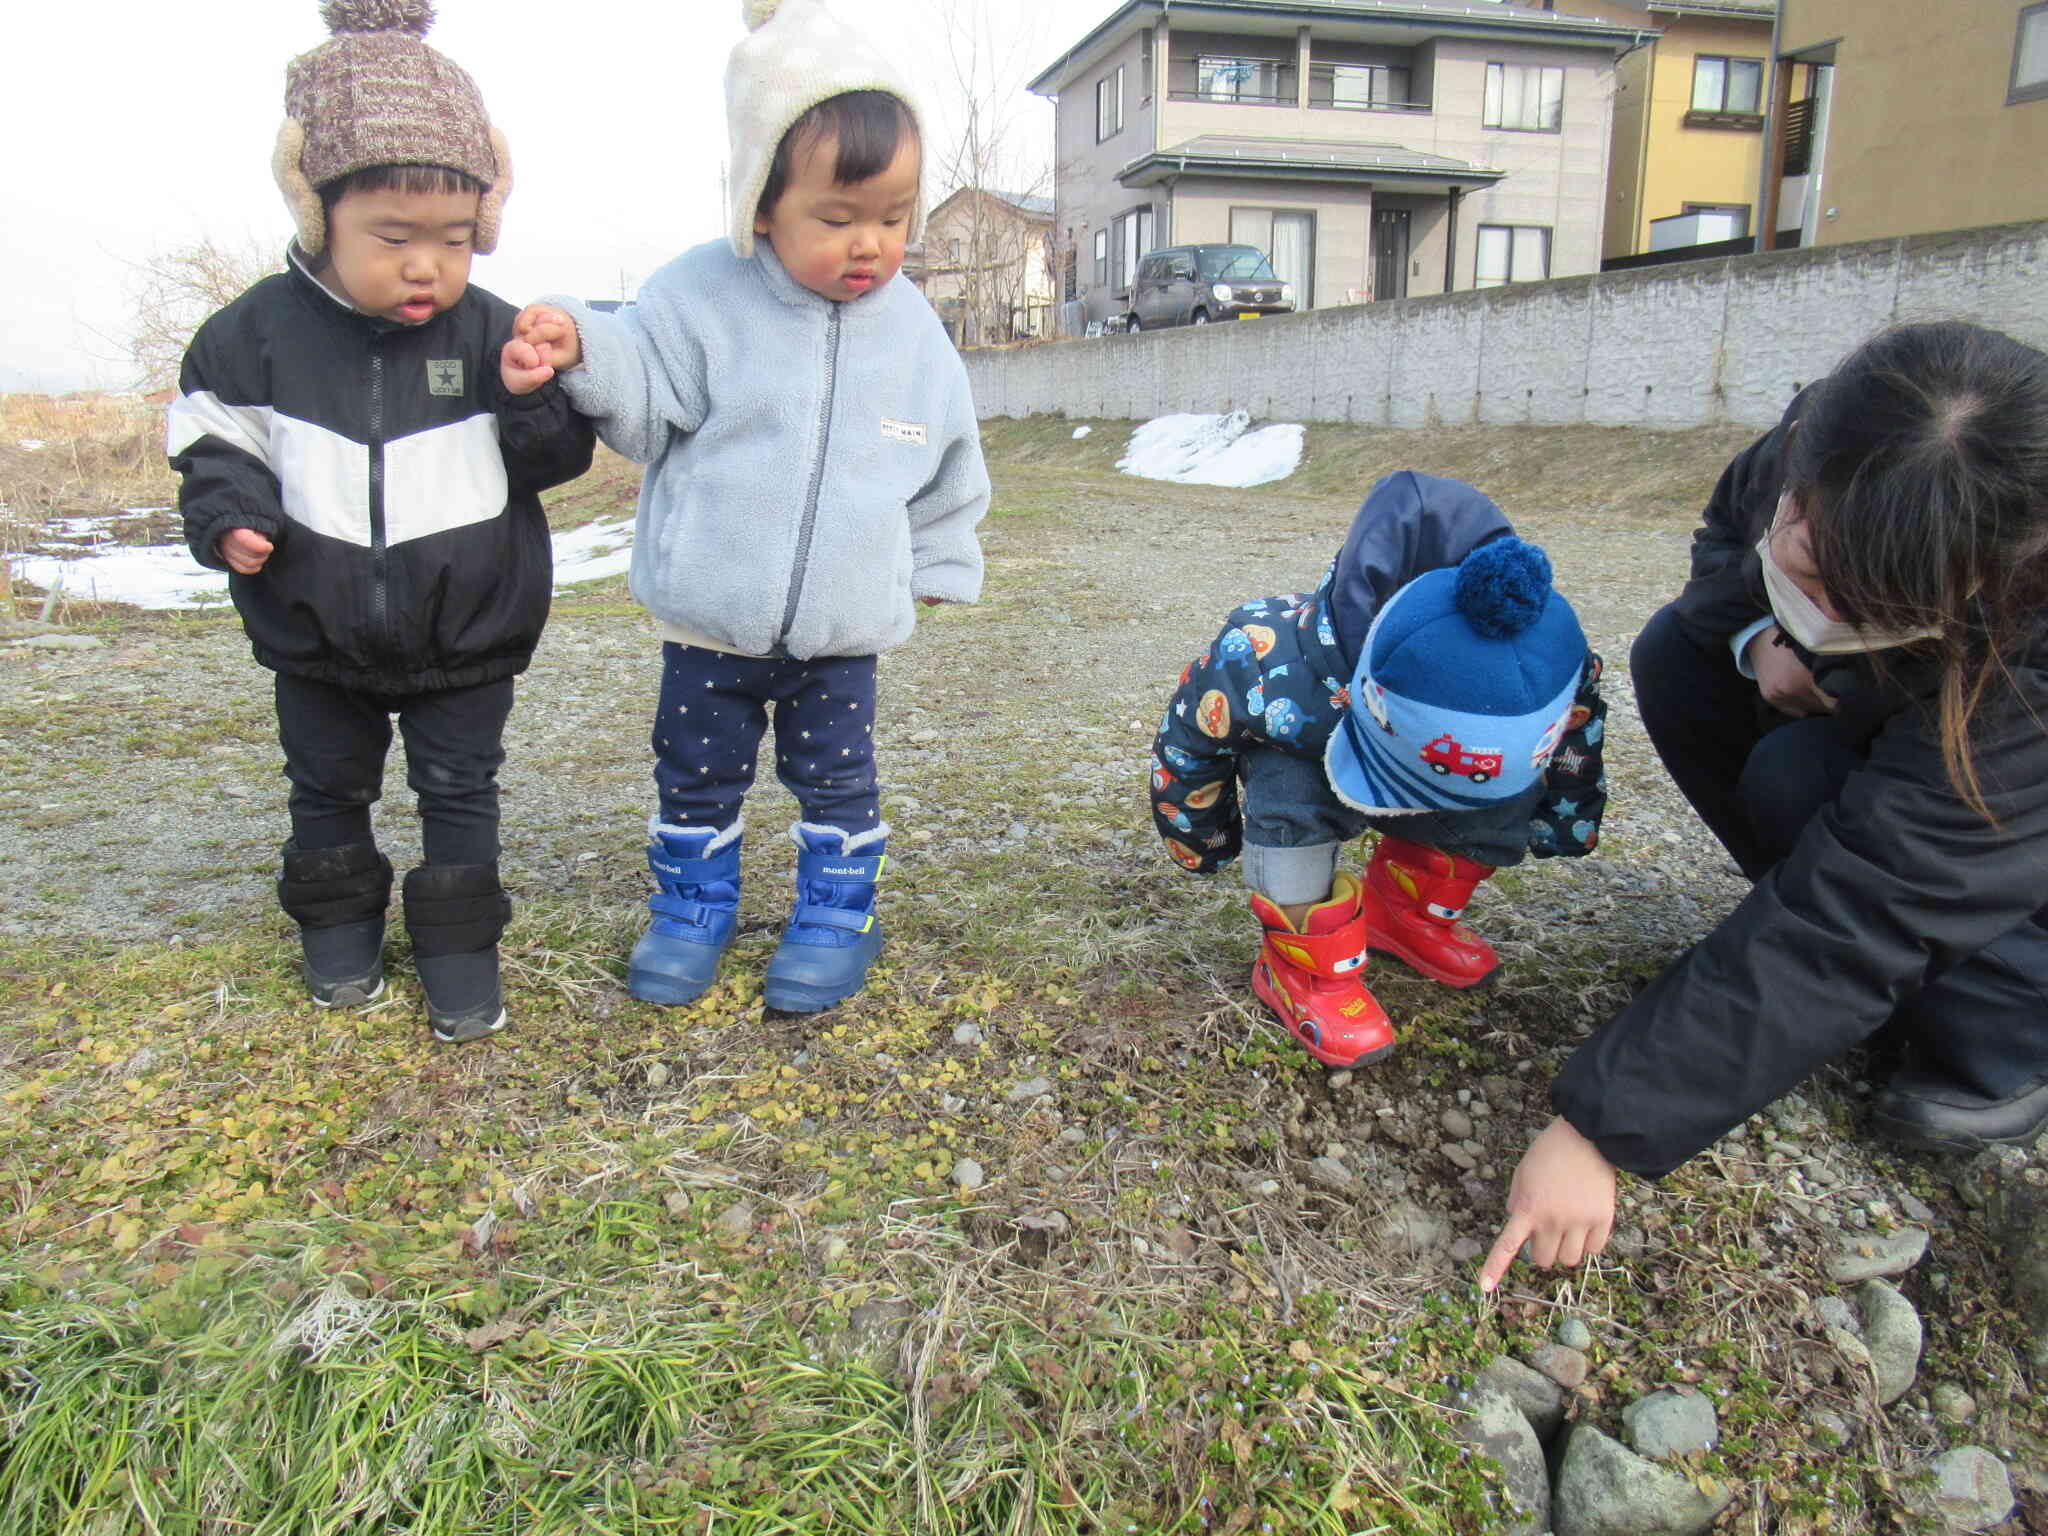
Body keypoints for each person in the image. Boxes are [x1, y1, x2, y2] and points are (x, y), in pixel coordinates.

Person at [1482, 321, 2048, 1293]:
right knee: (1680, 654)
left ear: (1968, 592)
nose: (1797, 574)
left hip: (2008, 810)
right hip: (1900, 706)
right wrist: (1757, 635)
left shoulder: (2028, 657)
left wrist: (1600, 1127)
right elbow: (1723, 546)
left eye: (1846, 593)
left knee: (1810, 801)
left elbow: (1868, 905)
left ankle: (2008, 1040)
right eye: (1801, 541)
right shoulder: (1846, 435)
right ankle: (1816, 1006)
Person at [501, 0, 989, 1014]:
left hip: (839, 628)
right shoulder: (701, 295)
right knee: (695, 772)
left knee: (838, 780)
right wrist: (583, 346)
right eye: (837, 217)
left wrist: (939, 563)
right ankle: (691, 908)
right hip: (709, 621)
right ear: (761, 201)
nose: (869, 244)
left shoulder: (913, 333)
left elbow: (943, 454)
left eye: (892, 218)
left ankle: (835, 912)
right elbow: (643, 389)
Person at [168, 0, 594, 1043]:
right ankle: (338, 939)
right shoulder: (249, 337)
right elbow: (212, 448)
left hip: (466, 636)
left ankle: (458, 952)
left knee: (461, 792)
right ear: (318, 216)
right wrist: (229, 518)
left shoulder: (491, 328)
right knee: (325, 789)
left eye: (455, 241)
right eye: (393, 238)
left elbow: (554, 461)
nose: (426, 267)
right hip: (314, 634)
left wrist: (538, 392)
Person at [1150, 471, 1607, 1067]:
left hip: (1459, 775)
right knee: (1288, 798)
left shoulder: (1549, 658)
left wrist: (1562, 816)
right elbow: (1189, 742)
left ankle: (1405, 910)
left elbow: (1575, 734)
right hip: (1318, 761)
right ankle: (1301, 963)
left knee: (1503, 800)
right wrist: (1202, 838)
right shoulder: (1265, 653)